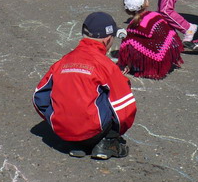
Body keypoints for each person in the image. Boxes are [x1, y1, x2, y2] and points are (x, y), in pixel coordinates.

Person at [33, 12, 136, 160]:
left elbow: (39, 97)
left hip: (63, 132)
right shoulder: (106, 65)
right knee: (118, 89)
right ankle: (106, 142)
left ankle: (78, 144)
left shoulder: (63, 61)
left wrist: (55, 119)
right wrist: (116, 132)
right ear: (107, 39)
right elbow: (124, 109)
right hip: (94, 130)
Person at [117, 0, 184, 80]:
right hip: (166, 58)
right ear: (146, 3)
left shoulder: (132, 26)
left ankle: (142, 66)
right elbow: (170, 32)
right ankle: (162, 63)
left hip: (150, 64)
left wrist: (127, 64)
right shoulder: (156, 16)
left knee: (128, 40)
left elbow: (127, 49)